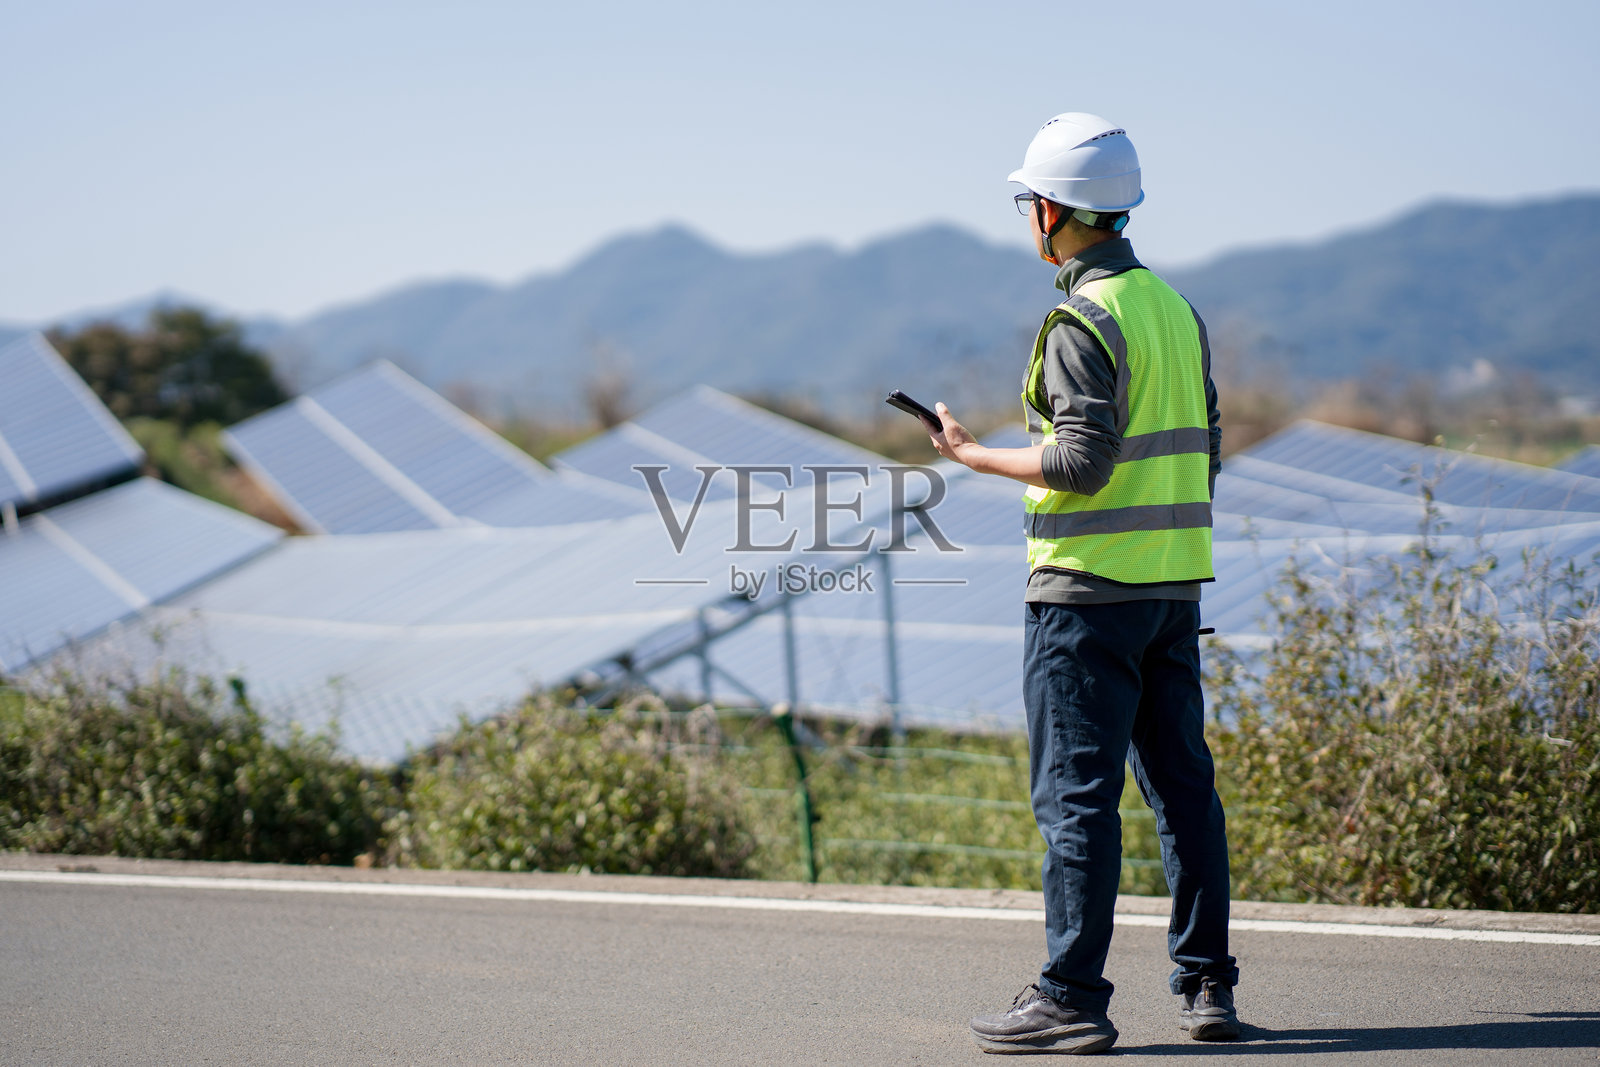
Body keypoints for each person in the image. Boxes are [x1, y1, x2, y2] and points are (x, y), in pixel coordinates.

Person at [926, 113, 1239, 1054]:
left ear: (1052, 213)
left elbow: (1080, 459)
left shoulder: (1079, 319)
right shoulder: (1173, 311)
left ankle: (1069, 994)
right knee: (1184, 793)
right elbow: (1208, 445)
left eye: (1030, 202)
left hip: (1083, 597)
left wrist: (974, 455)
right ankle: (1207, 986)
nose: (1030, 216)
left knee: (1076, 798)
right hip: (1170, 590)